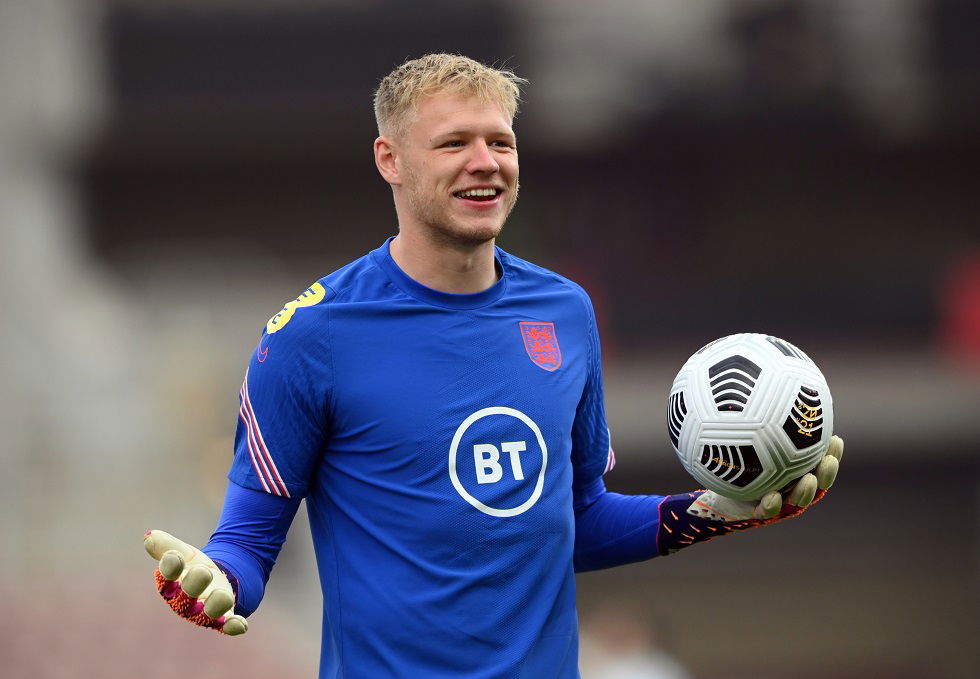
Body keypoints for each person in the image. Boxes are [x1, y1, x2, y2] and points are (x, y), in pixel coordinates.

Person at [144, 54, 842, 679]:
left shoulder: (565, 310)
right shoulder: (309, 336)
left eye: (500, 142)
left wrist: (719, 512)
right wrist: (213, 582)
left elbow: (577, 521)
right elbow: (245, 542)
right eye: (454, 143)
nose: (486, 161)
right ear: (390, 159)